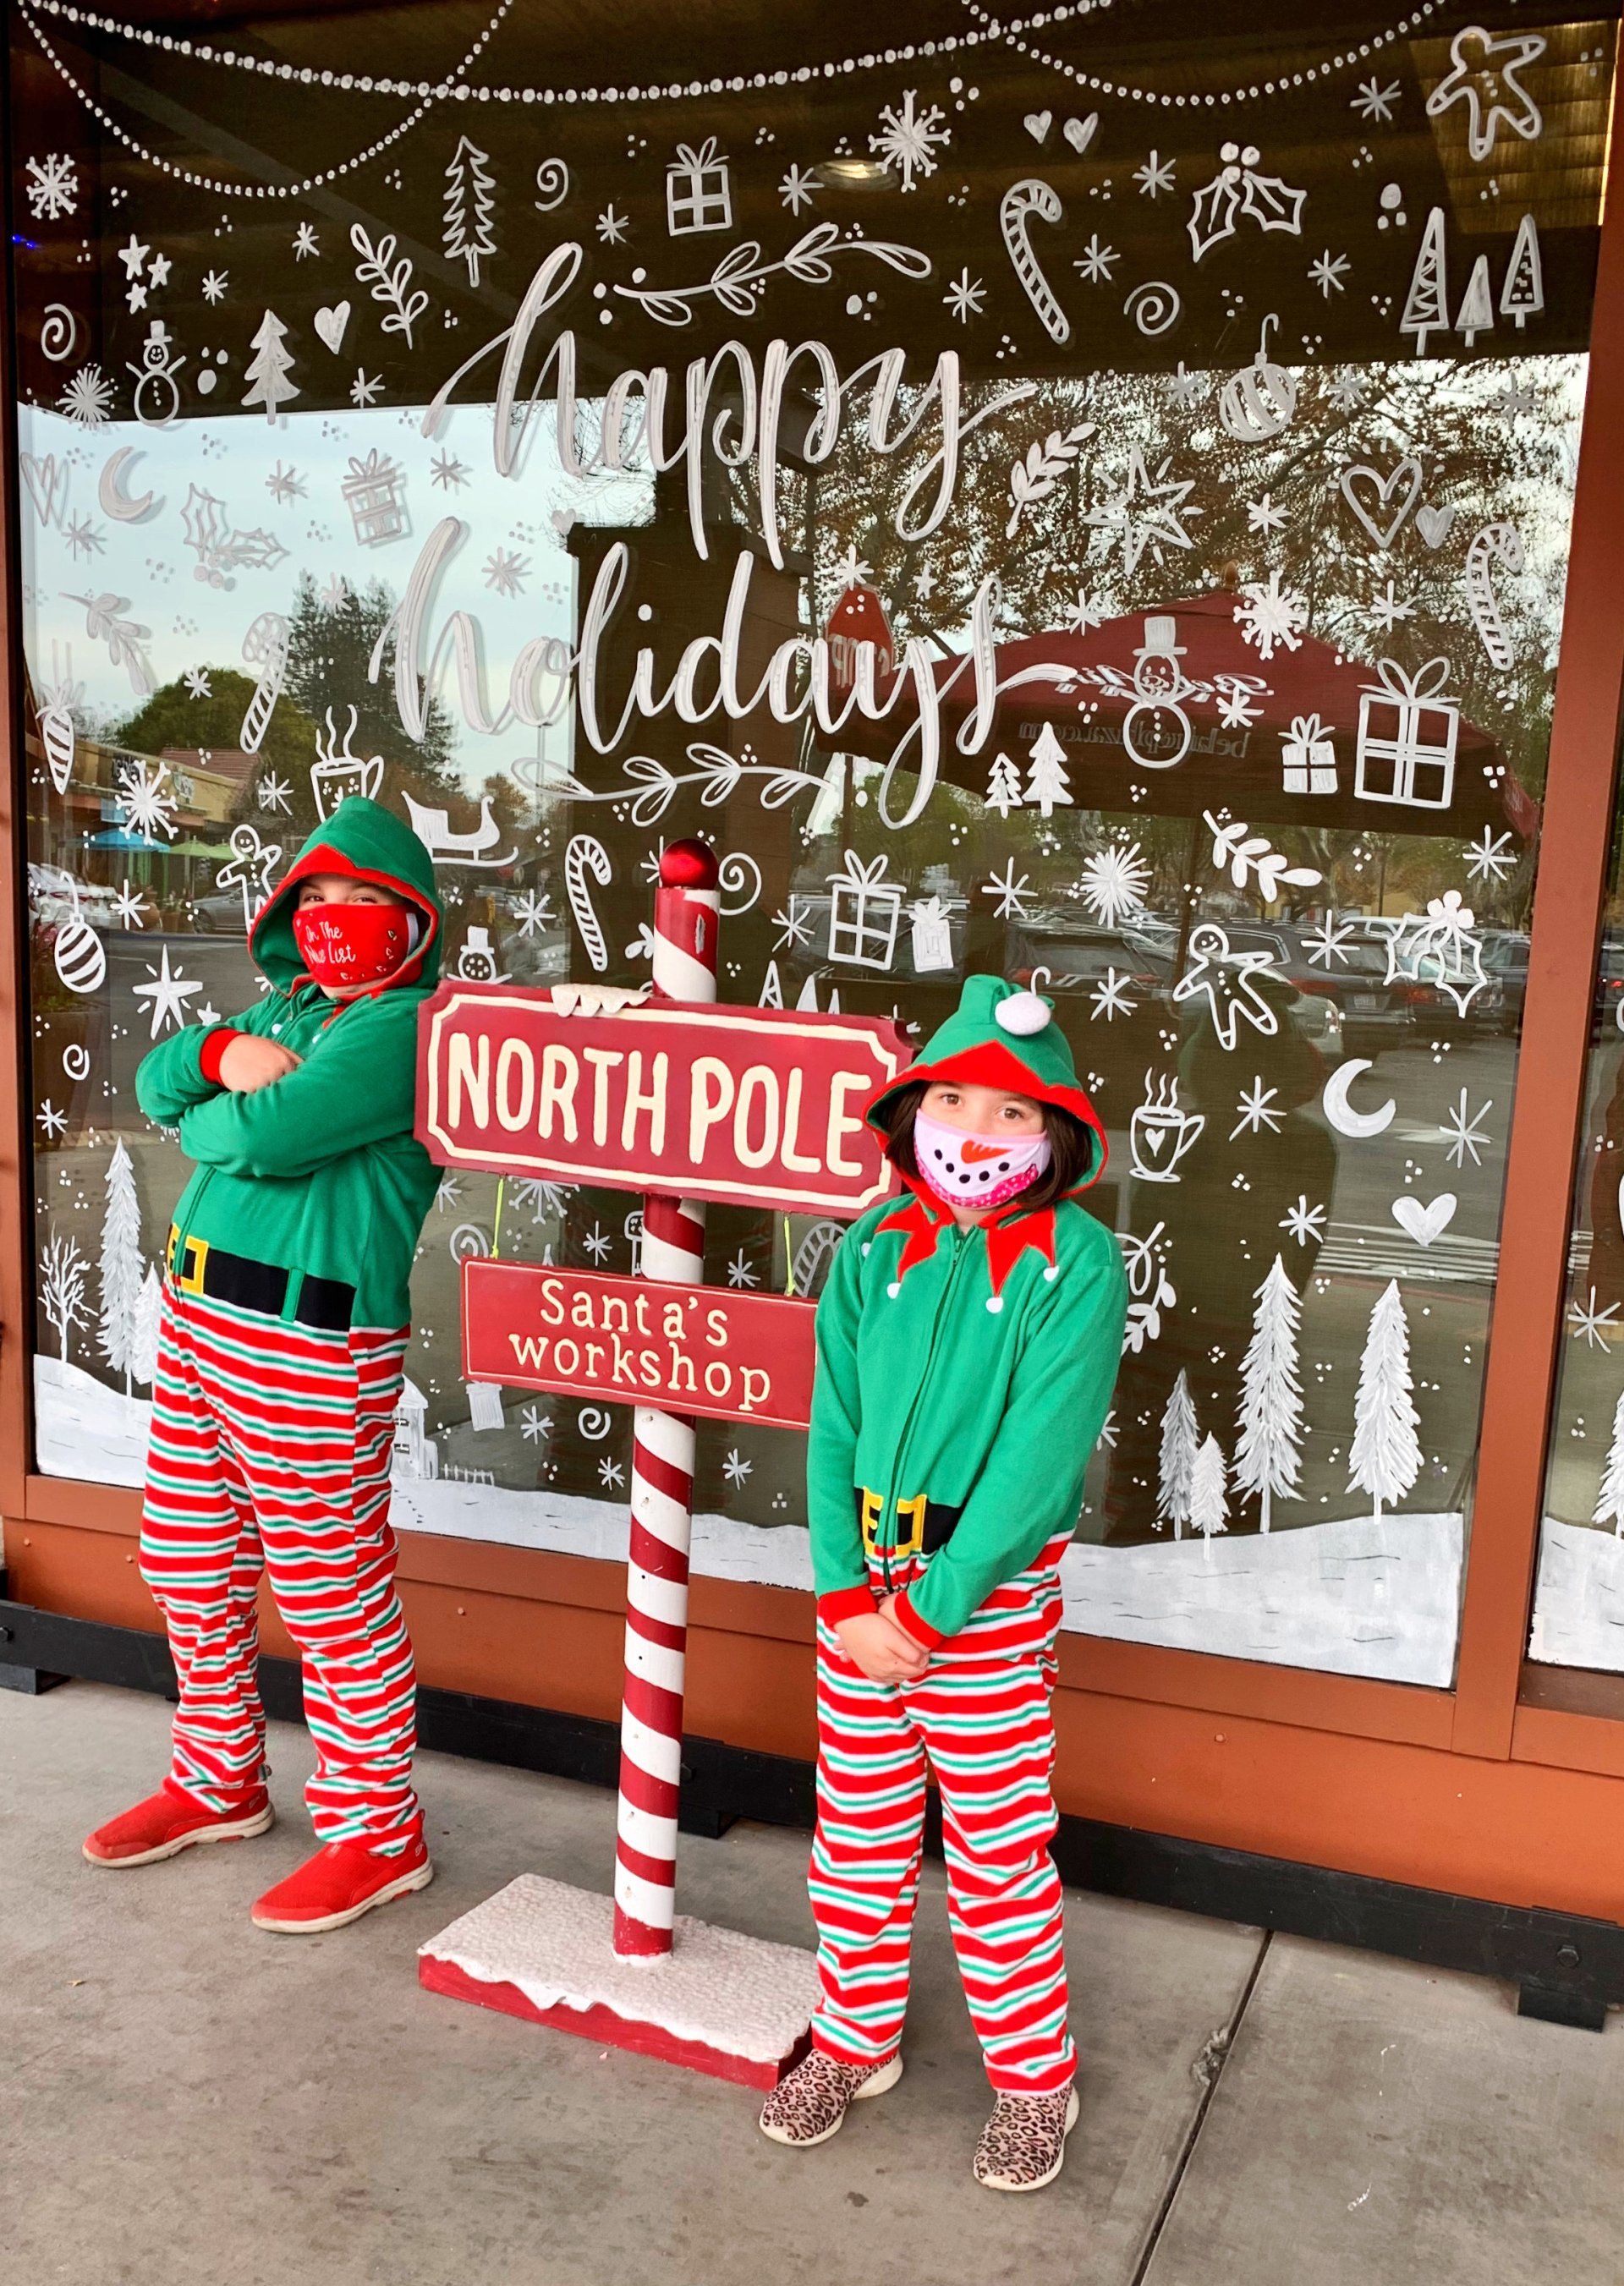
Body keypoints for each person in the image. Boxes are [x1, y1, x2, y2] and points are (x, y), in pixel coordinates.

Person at [759, 974, 1127, 2192]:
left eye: (1011, 1114)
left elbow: (1037, 1460)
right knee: (855, 1838)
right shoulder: (871, 1248)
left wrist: (930, 1607)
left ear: (1056, 1133)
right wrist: (842, 1595)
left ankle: (1035, 2078)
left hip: (983, 1601)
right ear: (912, 1112)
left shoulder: (1074, 1263)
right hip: (860, 1594)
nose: (975, 1132)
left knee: (995, 1848)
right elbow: (832, 1425)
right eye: (954, 1100)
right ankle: (856, 2041)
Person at [83, 796, 445, 1936]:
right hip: (196, 1317)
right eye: (319, 895)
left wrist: (212, 1113)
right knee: (186, 1558)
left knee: (331, 1587)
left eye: (363, 897)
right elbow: (152, 1089)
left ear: (412, 916)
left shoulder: (409, 1025)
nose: (337, 915)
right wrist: (216, 1052)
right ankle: (217, 1778)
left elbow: (267, 1136)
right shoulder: (288, 1004)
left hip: (311, 1339)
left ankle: (378, 1830)